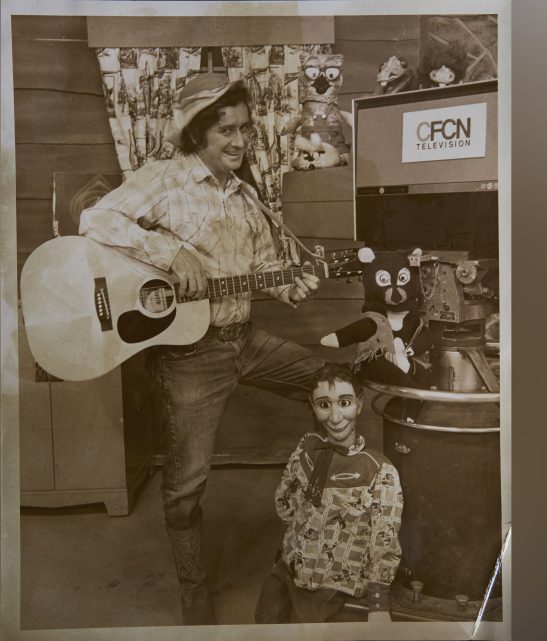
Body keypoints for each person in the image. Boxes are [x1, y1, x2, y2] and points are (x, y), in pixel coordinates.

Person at [78, 73, 325, 626]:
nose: (238, 142)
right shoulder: (164, 179)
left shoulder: (248, 197)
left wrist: (288, 284)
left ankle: (327, 527)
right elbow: (94, 218)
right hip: (190, 357)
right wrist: (168, 252)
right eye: (225, 131)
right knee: (187, 483)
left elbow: (263, 269)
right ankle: (193, 589)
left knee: (333, 388)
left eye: (245, 129)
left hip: (247, 341)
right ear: (198, 133)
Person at [255, 362, 403, 624]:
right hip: (288, 571)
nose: (335, 418)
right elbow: (285, 505)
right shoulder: (306, 449)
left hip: (332, 585)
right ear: (313, 407)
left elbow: (384, 538)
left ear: (359, 403)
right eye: (324, 405)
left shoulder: (379, 469)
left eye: (344, 403)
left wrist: (379, 603)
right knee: (265, 619)